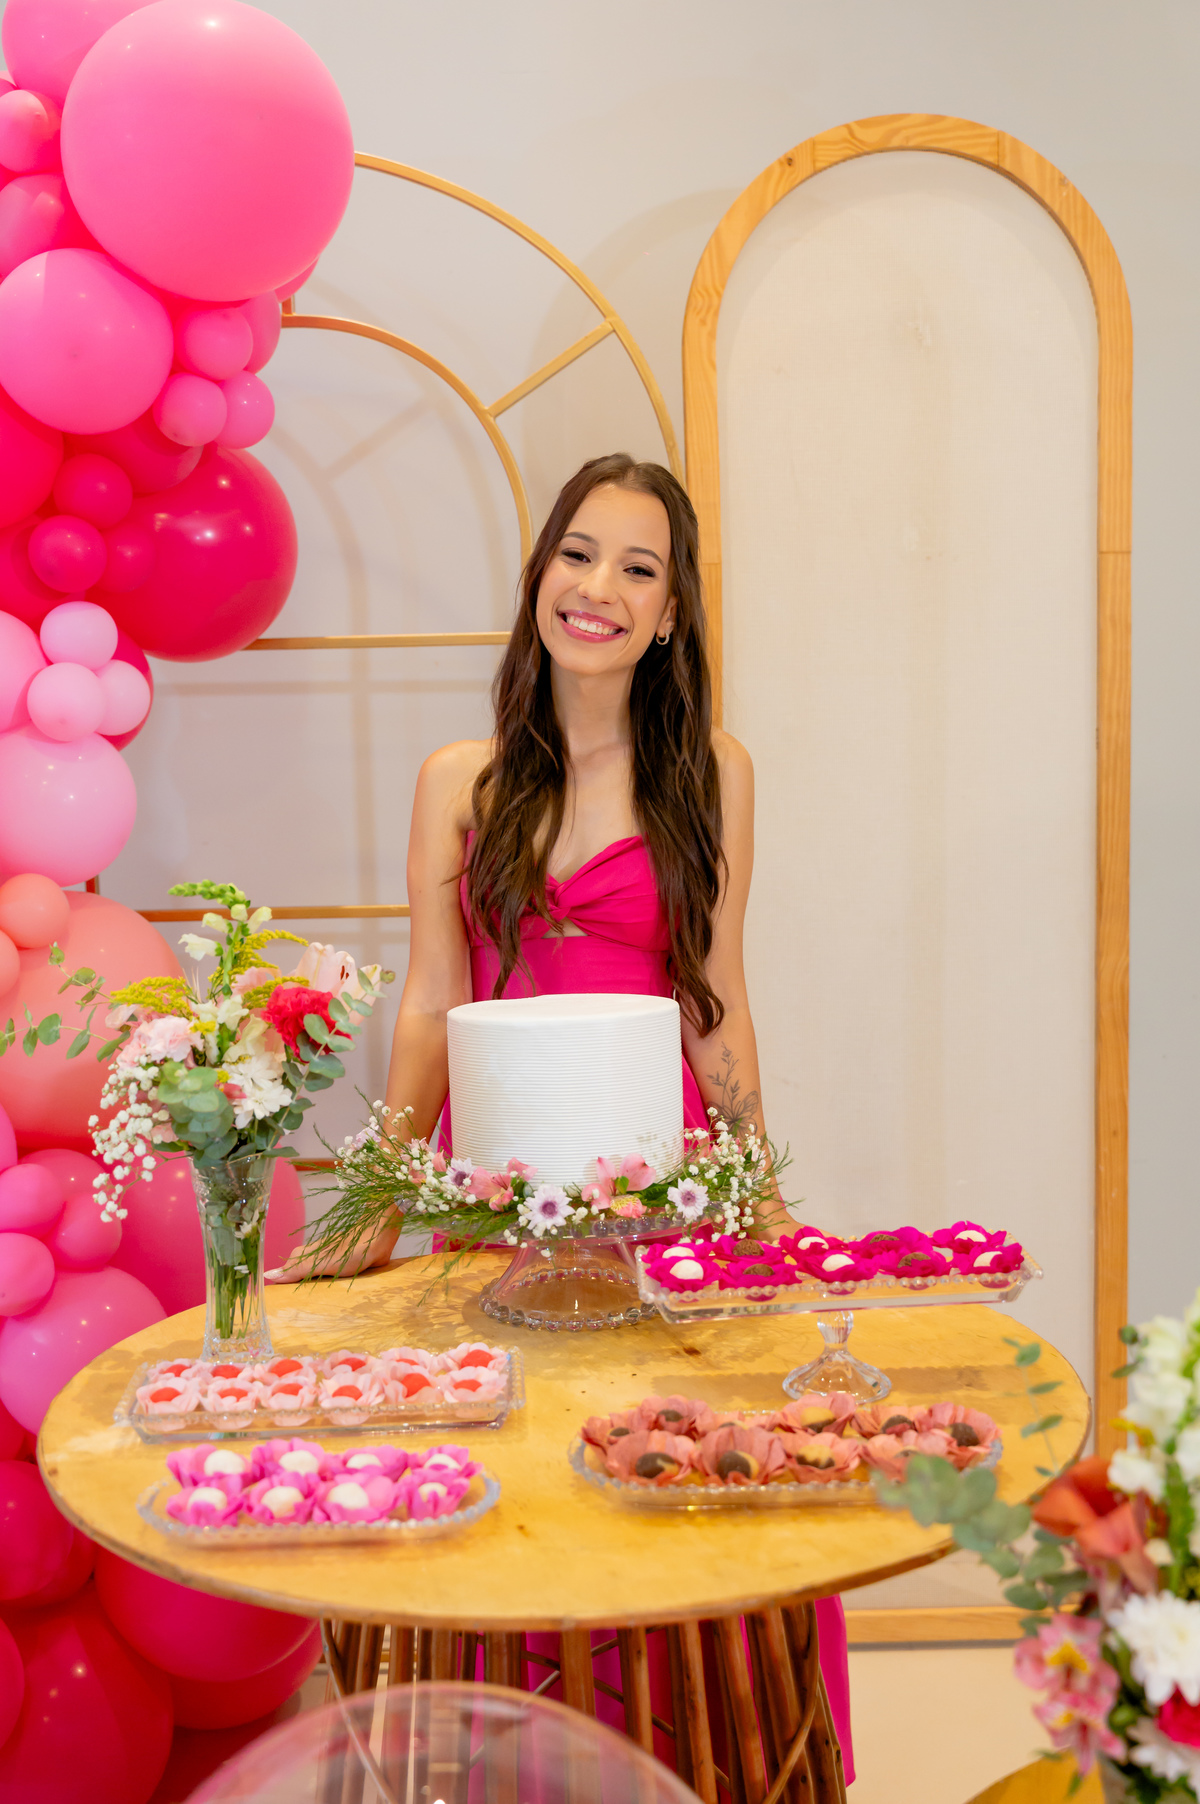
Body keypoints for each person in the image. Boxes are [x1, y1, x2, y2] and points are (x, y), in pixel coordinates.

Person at [269, 451, 852, 1778]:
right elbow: (431, 1002)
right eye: (578, 555)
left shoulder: (712, 772)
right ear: (541, 575)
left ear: (670, 614)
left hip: (663, 1186)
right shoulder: (460, 780)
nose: (599, 588)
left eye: (638, 569)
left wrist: (760, 1198)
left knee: (678, 1476)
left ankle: (709, 1763)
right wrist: (377, 1202)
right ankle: (514, 1767)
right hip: (501, 1188)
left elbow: (716, 1002)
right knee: (521, 1470)